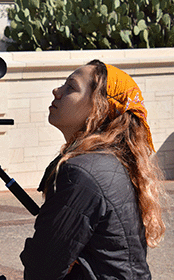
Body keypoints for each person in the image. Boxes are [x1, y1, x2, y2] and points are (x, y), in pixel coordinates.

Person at [20, 60, 166, 279]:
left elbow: (43, 267)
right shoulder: (111, 161)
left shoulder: (81, 173)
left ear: (99, 108)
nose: (57, 91)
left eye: (71, 87)